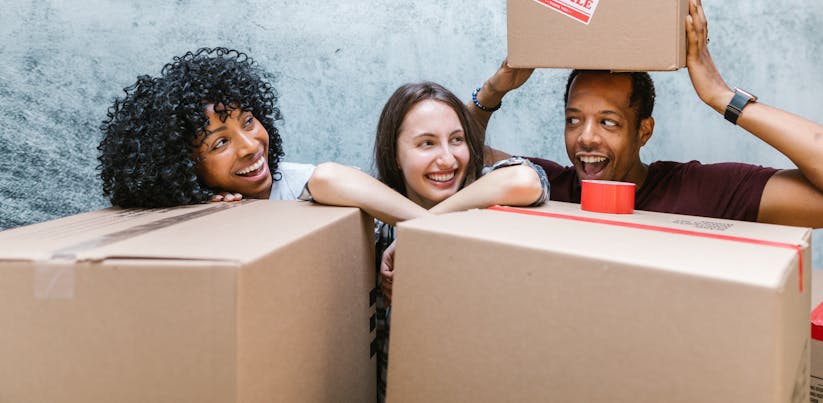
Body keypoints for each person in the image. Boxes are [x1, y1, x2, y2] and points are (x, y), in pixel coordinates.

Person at [468, 0, 823, 229]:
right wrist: (493, 90)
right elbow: (458, 158)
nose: (586, 137)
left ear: (644, 131)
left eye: (608, 122)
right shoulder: (544, 185)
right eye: (573, 120)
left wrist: (722, 97)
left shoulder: (704, 192)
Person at [306, 81, 549, 401]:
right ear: (395, 155)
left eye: (457, 140)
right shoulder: (379, 226)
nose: (447, 159)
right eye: (427, 144)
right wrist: (415, 226)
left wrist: (423, 231)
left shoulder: (488, 199)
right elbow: (324, 179)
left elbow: (525, 181)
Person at [99, 46, 317, 207]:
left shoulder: (303, 183)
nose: (250, 147)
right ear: (181, 169)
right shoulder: (192, 215)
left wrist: (323, 183)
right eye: (220, 143)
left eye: (248, 122)